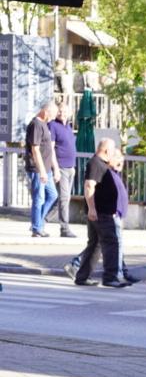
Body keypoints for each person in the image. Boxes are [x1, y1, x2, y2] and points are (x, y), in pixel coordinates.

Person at [73, 138, 131, 288]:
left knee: (95, 245)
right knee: (111, 243)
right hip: (101, 213)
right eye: (112, 151)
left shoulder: (101, 164)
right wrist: (92, 209)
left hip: (100, 212)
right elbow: (89, 186)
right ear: (106, 151)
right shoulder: (96, 164)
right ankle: (110, 277)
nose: (114, 154)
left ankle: (82, 276)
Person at [26, 100, 59, 239]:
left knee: (53, 195)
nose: (53, 118)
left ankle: (38, 222)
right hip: (37, 169)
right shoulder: (36, 125)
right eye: (52, 115)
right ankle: (36, 228)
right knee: (38, 198)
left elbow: (49, 149)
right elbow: (35, 149)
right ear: (46, 111)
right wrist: (42, 171)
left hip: (47, 169)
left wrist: (54, 169)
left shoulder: (45, 124)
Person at [48, 105, 76, 238]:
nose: (62, 113)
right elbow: (51, 148)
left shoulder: (69, 126)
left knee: (64, 198)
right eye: (60, 111)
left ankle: (44, 218)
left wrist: (73, 167)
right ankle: (64, 228)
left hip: (70, 167)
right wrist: (56, 169)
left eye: (65, 111)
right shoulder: (53, 125)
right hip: (61, 167)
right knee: (64, 198)